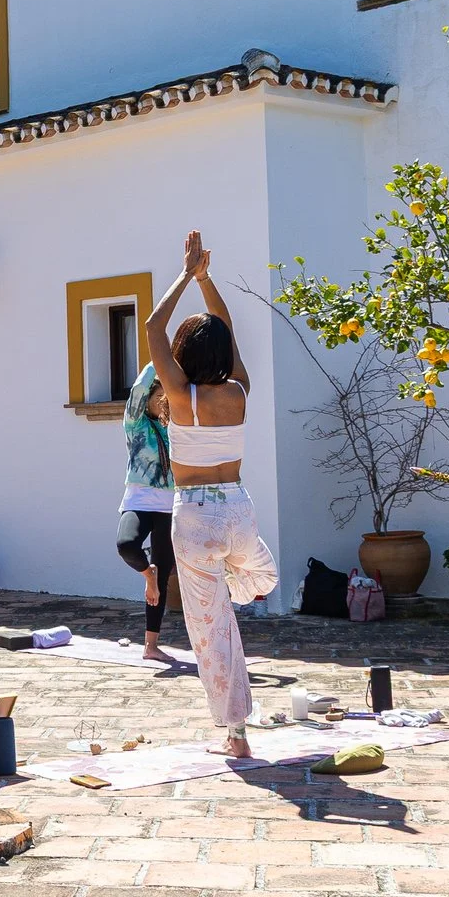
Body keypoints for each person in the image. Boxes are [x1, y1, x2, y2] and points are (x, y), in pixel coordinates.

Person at [145, 231, 273, 755]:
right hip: (239, 511)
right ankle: (246, 585)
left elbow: (154, 325)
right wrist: (205, 278)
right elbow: (230, 332)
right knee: (257, 575)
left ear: (185, 355)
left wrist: (183, 274)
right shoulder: (239, 390)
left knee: (210, 629)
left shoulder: (180, 395)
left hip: (195, 518)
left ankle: (236, 736)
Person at [116, 360, 182, 661]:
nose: (164, 403)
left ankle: (151, 646)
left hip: (171, 506)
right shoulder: (136, 424)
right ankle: (148, 575)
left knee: (165, 568)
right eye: (160, 398)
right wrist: (161, 358)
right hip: (139, 501)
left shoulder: (176, 430)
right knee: (127, 545)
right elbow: (140, 388)